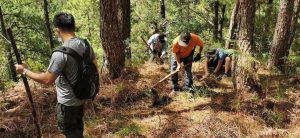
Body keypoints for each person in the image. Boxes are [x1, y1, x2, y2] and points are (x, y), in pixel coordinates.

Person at [15, 12, 99, 138]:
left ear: (57, 30)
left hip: (67, 103)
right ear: (73, 26)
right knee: (77, 128)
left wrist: (25, 71)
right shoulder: (85, 45)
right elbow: (95, 67)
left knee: (69, 131)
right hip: (82, 97)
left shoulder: (60, 53)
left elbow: (48, 80)